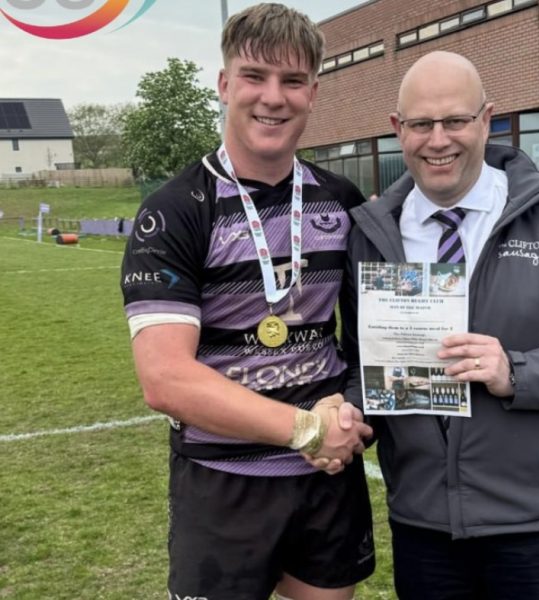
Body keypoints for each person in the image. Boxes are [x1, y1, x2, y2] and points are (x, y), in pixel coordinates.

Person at [341, 51, 539, 598]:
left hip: (538, 525)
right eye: (420, 124)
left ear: (487, 119)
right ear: (398, 128)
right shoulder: (372, 234)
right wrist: (348, 411)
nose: (438, 140)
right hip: (424, 527)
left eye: (455, 120)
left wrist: (516, 372)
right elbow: (364, 366)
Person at [119, 5, 375, 599]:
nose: (273, 97)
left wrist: (351, 415)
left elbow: (371, 341)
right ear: (225, 84)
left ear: (313, 92)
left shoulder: (342, 201)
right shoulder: (175, 210)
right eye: (255, 76)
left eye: (292, 81)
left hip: (325, 481)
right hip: (223, 481)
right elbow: (165, 379)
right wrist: (305, 429)